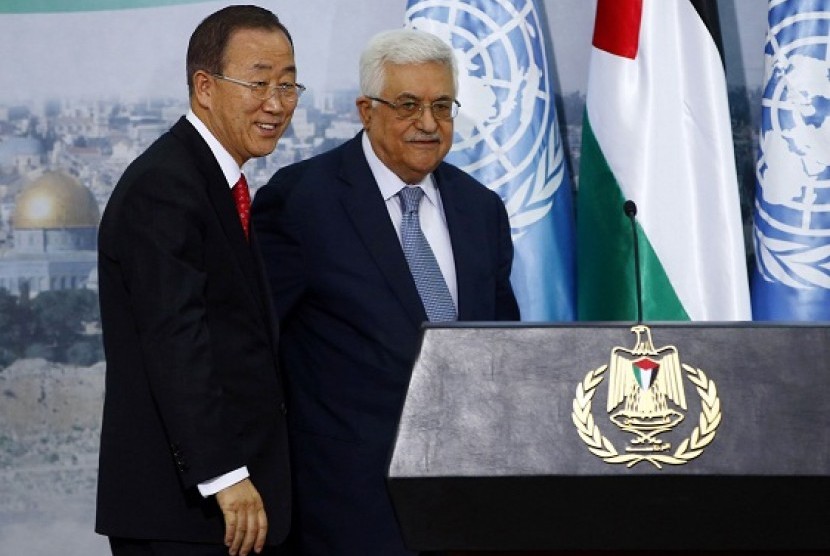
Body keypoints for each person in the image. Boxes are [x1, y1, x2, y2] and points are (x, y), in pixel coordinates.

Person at [251, 28, 520, 555]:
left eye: (442, 105)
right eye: (408, 105)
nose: (428, 123)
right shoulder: (302, 202)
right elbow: (252, 348)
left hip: (468, 506)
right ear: (365, 110)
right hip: (346, 512)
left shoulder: (481, 208)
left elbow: (502, 350)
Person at [95, 6, 303, 555]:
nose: (276, 104)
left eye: (288, 85)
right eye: (258, 83)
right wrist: (224, 475)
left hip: (229, 511)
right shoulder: (165, 186)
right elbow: (174, 343)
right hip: (188, 515)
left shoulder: (215, 182)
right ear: (205, 87)